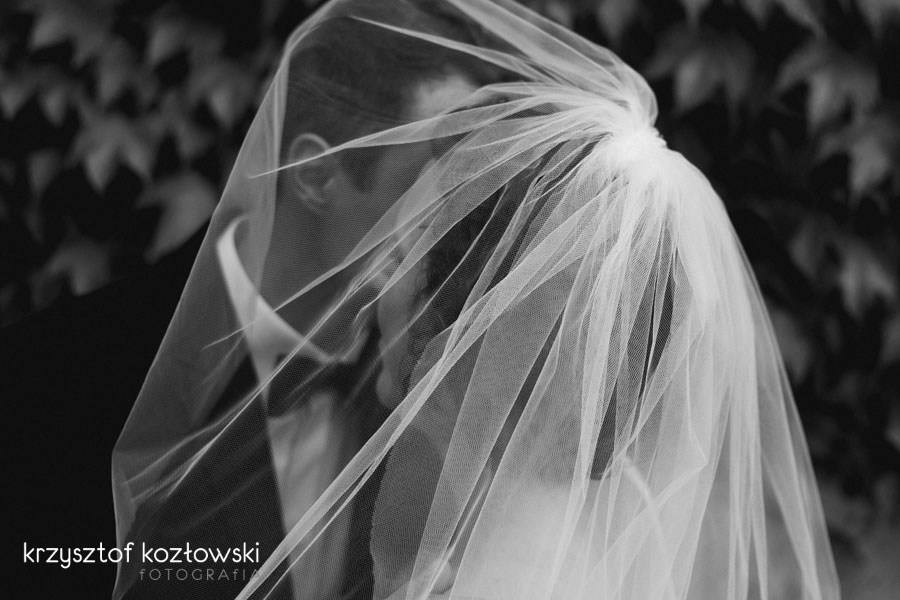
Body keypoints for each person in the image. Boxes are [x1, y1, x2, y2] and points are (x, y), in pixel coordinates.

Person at [113, 1, 842, 599]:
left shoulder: (439, 523)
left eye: (435, 218)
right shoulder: (621, 527)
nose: (400, 249)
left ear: (478, 304)